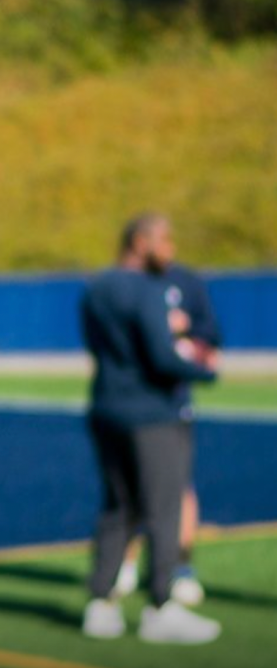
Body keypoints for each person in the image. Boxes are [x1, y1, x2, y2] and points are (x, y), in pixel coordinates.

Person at [79, 213, 220, 644]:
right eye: (165, 240)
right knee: (163, 508)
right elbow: (162, 357)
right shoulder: (147, 289)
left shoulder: (96, 288)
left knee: (118, 507)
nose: (171, 248)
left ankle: (100, 605)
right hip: (153, 414)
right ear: (141, 242)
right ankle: (161, 607)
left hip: (107, 407)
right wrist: (203, 370)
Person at [112, 260, 221, 606]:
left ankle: (181, 568)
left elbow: (210, 335)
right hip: (132, 403)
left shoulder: (185, 281)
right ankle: (124, 564)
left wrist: (188, 337)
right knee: (130, 488)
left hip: (171, 402)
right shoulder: (123, 286)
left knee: (177, 486)